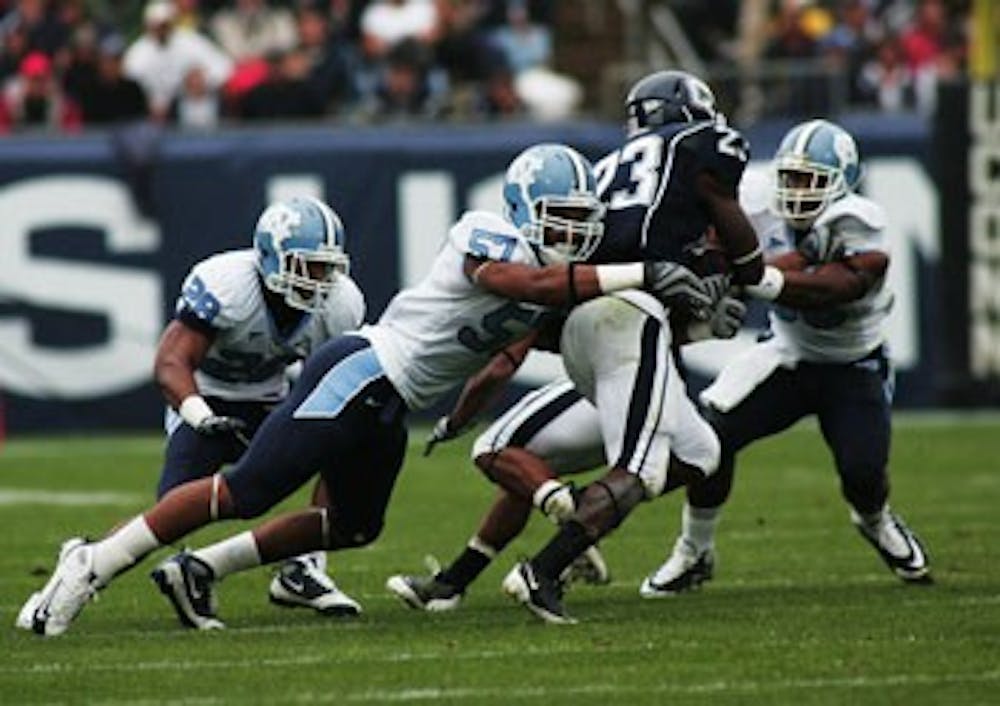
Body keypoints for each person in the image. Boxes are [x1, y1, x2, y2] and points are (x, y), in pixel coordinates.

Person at [16, 142, 710, 637]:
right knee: (248, 490)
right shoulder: (489, 234)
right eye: (558, 217)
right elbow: (517, 284)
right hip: (365, 371)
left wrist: (693, 315)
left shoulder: (556, 280)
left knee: (353, 525)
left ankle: (201, 571)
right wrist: (640, 275)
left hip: (395, 405)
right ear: (525, 210)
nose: (572, 234)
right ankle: (93, 563)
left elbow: (508, 351)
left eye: (581, 222)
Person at [386, 70, 762, 619]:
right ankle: (542, 571)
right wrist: (752, 275)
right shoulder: (693, 149)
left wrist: (458, 416)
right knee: (641, 470)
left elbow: (525, 338)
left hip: (591, 331)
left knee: (700, 452)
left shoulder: (605, 178)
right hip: (627, 323)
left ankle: (452, 582)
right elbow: (719, 241)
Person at [639, 119, 932, 599]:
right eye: (791, 179)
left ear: (842, 182)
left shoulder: (861, 222)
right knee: (711, 438)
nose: (796, 192)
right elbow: (705, 231)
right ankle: (695, 551)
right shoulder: (754, 198)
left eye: (810, 180)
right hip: (788, 354)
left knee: (863, 474)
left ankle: (875, 521)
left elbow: (835, 287)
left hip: (853, 365)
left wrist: (752, 278)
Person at [152, 195, 366, 616]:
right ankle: (88, 559)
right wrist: (200, 416)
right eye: (309, 266)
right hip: (206, 395)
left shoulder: (340, 304)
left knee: (340, 443)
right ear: (272, 258)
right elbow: (170, 363)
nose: (321, 280)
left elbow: (328, 379)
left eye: (327, 267)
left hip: (269, 397)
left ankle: (303, 568)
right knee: (172, 510)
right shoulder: (228, 284)